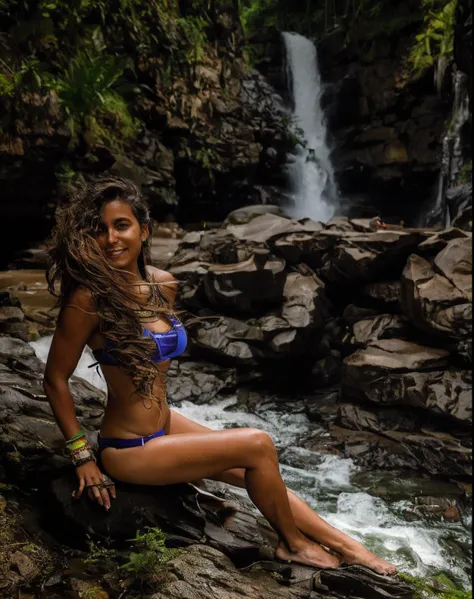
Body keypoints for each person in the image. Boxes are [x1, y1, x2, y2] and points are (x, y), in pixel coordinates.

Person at [43, 177, 397, 575]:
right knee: (258, 445)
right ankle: (293, 545)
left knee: (264, 473)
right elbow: (55, 378)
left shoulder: (163, 285)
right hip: (129, 449)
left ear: (143, 230)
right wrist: (82, 457)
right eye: (99, 230)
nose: (111, 238)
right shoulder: (88, 299)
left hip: (165, 425)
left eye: (121, 225)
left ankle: (351, 547)